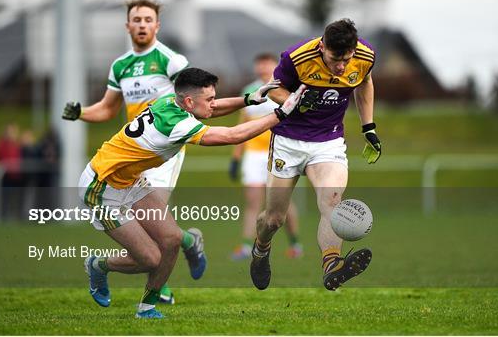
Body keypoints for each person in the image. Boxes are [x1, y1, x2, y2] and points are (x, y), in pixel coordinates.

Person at [78, 67, 304, 318]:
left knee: (172, 240)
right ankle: (98, 264)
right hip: (101, 188)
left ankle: (147, 307)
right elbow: (231, 135)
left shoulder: (171, 101)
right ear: (188, 101)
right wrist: (281, 113)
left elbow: (213, 108)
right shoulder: (176, 124)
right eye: (208, 99)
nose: (212, 104)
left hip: (129, 181)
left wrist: (250, 98)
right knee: (150, 258)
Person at [62, 0, 190, 304]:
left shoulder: (171, 61)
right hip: (131, 153)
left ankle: (157, 287)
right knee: (153, 240)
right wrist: (81, 112)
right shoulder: (120, 65)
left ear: (157, 25)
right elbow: (107, 109)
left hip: (162, 154)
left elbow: (195, 99)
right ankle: (155, 272)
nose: (142, 24)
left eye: (148, 19)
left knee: (160, 230)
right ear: (128, 25)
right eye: (137, 19)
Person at [249, 18, 382, 291]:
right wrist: (295, 102)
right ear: (322, 47)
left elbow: (365, 82)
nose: (342, 66)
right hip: (288, 140)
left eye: (347, 58)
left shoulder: (366, 56)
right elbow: (272, 89)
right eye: (335, 59)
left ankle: (332, 265)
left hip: (329, 141)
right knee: (274, 219)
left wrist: (368, 126)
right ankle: (261, 250)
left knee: (332, 202)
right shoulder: (297, 57)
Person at [229, 53, 302, 260]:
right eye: (259, 64)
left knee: (283, 204)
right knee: (253, 203)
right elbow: (241, 127)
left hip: (278, 154)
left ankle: (295, 243)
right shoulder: (249, 91)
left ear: (275, 66)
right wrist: (236, 158)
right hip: (253, 156)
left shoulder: (285, 90)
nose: (263, 68)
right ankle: (245, 247)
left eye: (267, 64)